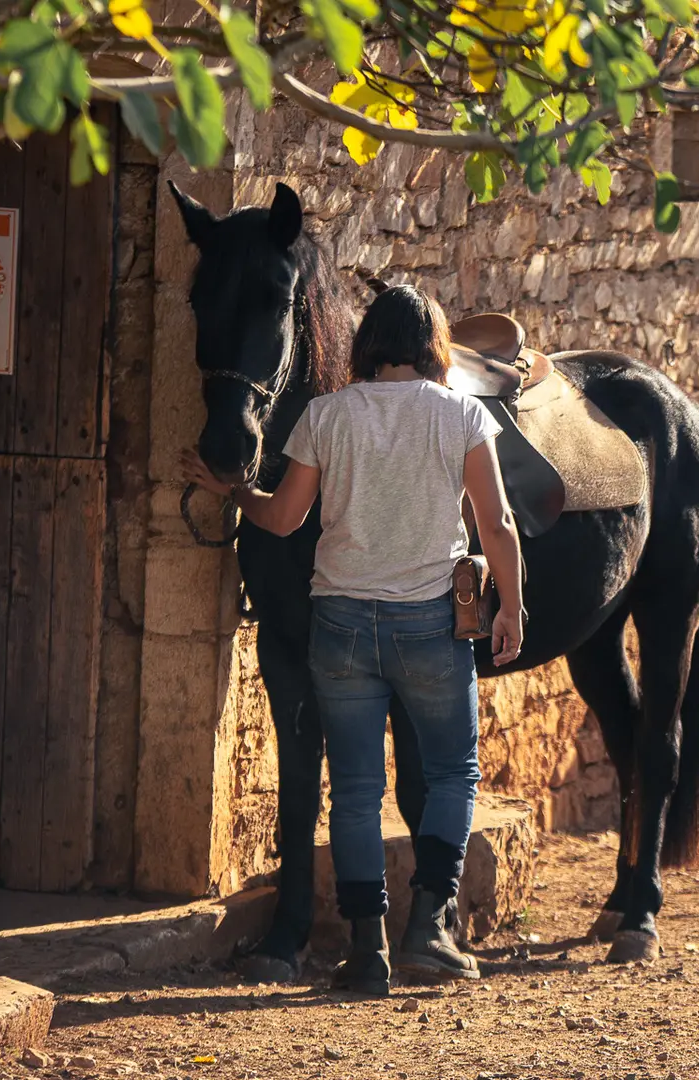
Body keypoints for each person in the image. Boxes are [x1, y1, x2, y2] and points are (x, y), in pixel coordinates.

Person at [184, 285, 524, 994]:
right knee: (454, 773)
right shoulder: (461, 413)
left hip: (339, 624)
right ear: (433, 346)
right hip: (430, 621)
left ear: (368, 343)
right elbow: (498, 526)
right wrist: (510, 606)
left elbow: (281, 520)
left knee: (356, 791)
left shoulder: (326, 414)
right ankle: (428, 926)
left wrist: (230, 492)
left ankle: (367, 948)